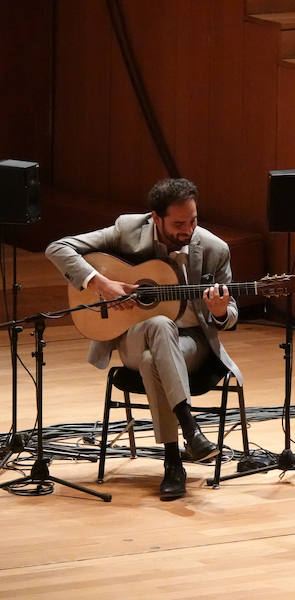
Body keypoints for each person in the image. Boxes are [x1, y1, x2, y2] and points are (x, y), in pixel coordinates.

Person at [46, 178, 241, 500]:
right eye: (179, 223)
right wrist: (101, 283)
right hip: (131, 337)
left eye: (193, 220)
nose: (188, 229)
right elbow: (58, 247)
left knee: (156, 352)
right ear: (155, 217)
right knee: (160, 325)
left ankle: (173, 462)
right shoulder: (127, 229)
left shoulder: (213, 249)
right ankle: (189, 429)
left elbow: (229, 313)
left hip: (190, 342)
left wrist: (220, 311)